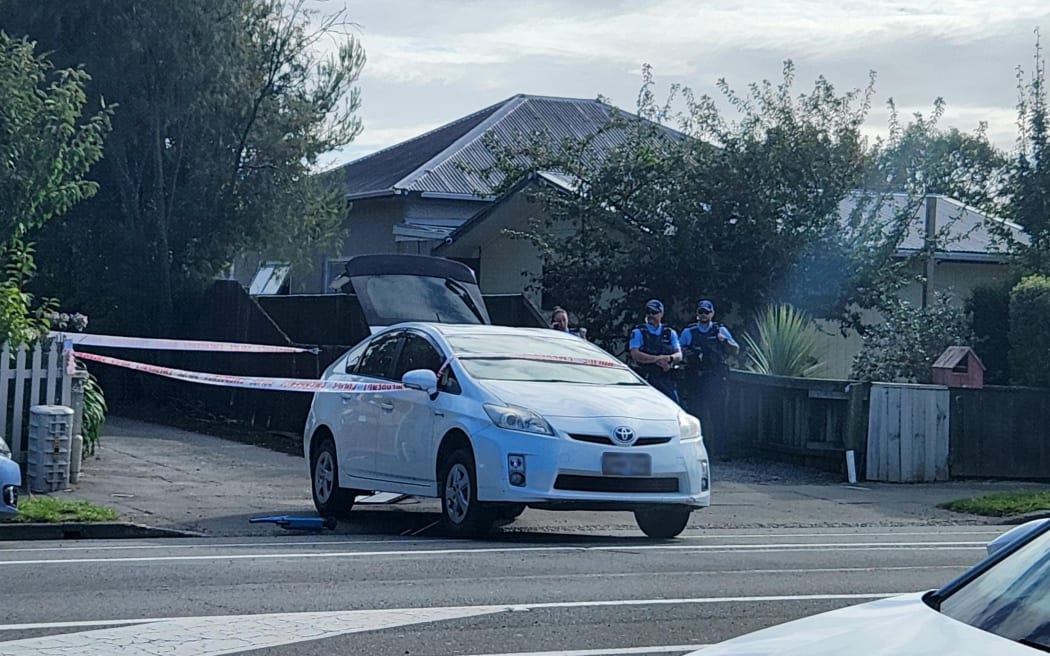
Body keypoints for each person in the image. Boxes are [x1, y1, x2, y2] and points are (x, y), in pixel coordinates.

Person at [680, 299, 739, 446]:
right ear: (697, 314)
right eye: (701, 312)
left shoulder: (720, 330)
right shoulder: (689, 332)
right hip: (696, 379)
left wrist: (724, 340)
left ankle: (721, 450)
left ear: (712, 313)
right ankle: (700, 448)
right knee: (696, 415)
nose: (703, 315)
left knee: (719, 414)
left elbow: (735, 349)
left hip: (716, 379)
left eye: (707, 312)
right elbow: (678, 352)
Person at [629, 299, 682, 402]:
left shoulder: (670, 333)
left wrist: (669, 358)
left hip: (666, 379)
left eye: (654, 312)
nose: (650, 315)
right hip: (645, 379)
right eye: (648, 312)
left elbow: (679, 355)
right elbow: (635, 354)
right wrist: (657, 359)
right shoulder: (638, 332)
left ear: (661, 314)